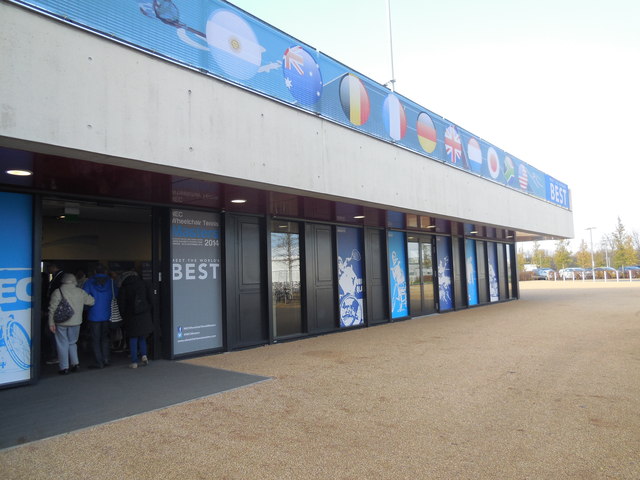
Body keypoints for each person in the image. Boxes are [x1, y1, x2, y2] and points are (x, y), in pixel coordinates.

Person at [48, 273, 95, 374]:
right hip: (76, 322)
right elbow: (91, 301)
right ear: (74, 281)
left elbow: (52, 309)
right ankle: (75, 363)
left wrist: (51, 323)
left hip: (61, 322)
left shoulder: (58, 292)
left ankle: (64, 367)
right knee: (72, 343)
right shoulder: (80, 292)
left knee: (62, 344)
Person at [117, 270, 153, 368]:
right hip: (144, 315)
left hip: (131, 316)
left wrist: (123, 316)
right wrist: (147, 309)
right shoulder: (144, 284)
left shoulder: (124, 288)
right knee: (142, 337)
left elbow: (121, 304)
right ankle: (144, 356)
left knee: (133, 338)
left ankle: (134, 361)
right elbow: (151, 299)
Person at [83, 264, 116, 369]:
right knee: (105, 338)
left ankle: (99, 362)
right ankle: (106, 359)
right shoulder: (111, 282)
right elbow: (116, 295)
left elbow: (84, 297)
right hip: (108, 314)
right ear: (105, 272)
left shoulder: (89, 282)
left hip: (94, 315)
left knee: (95, 339)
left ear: (95, 272)